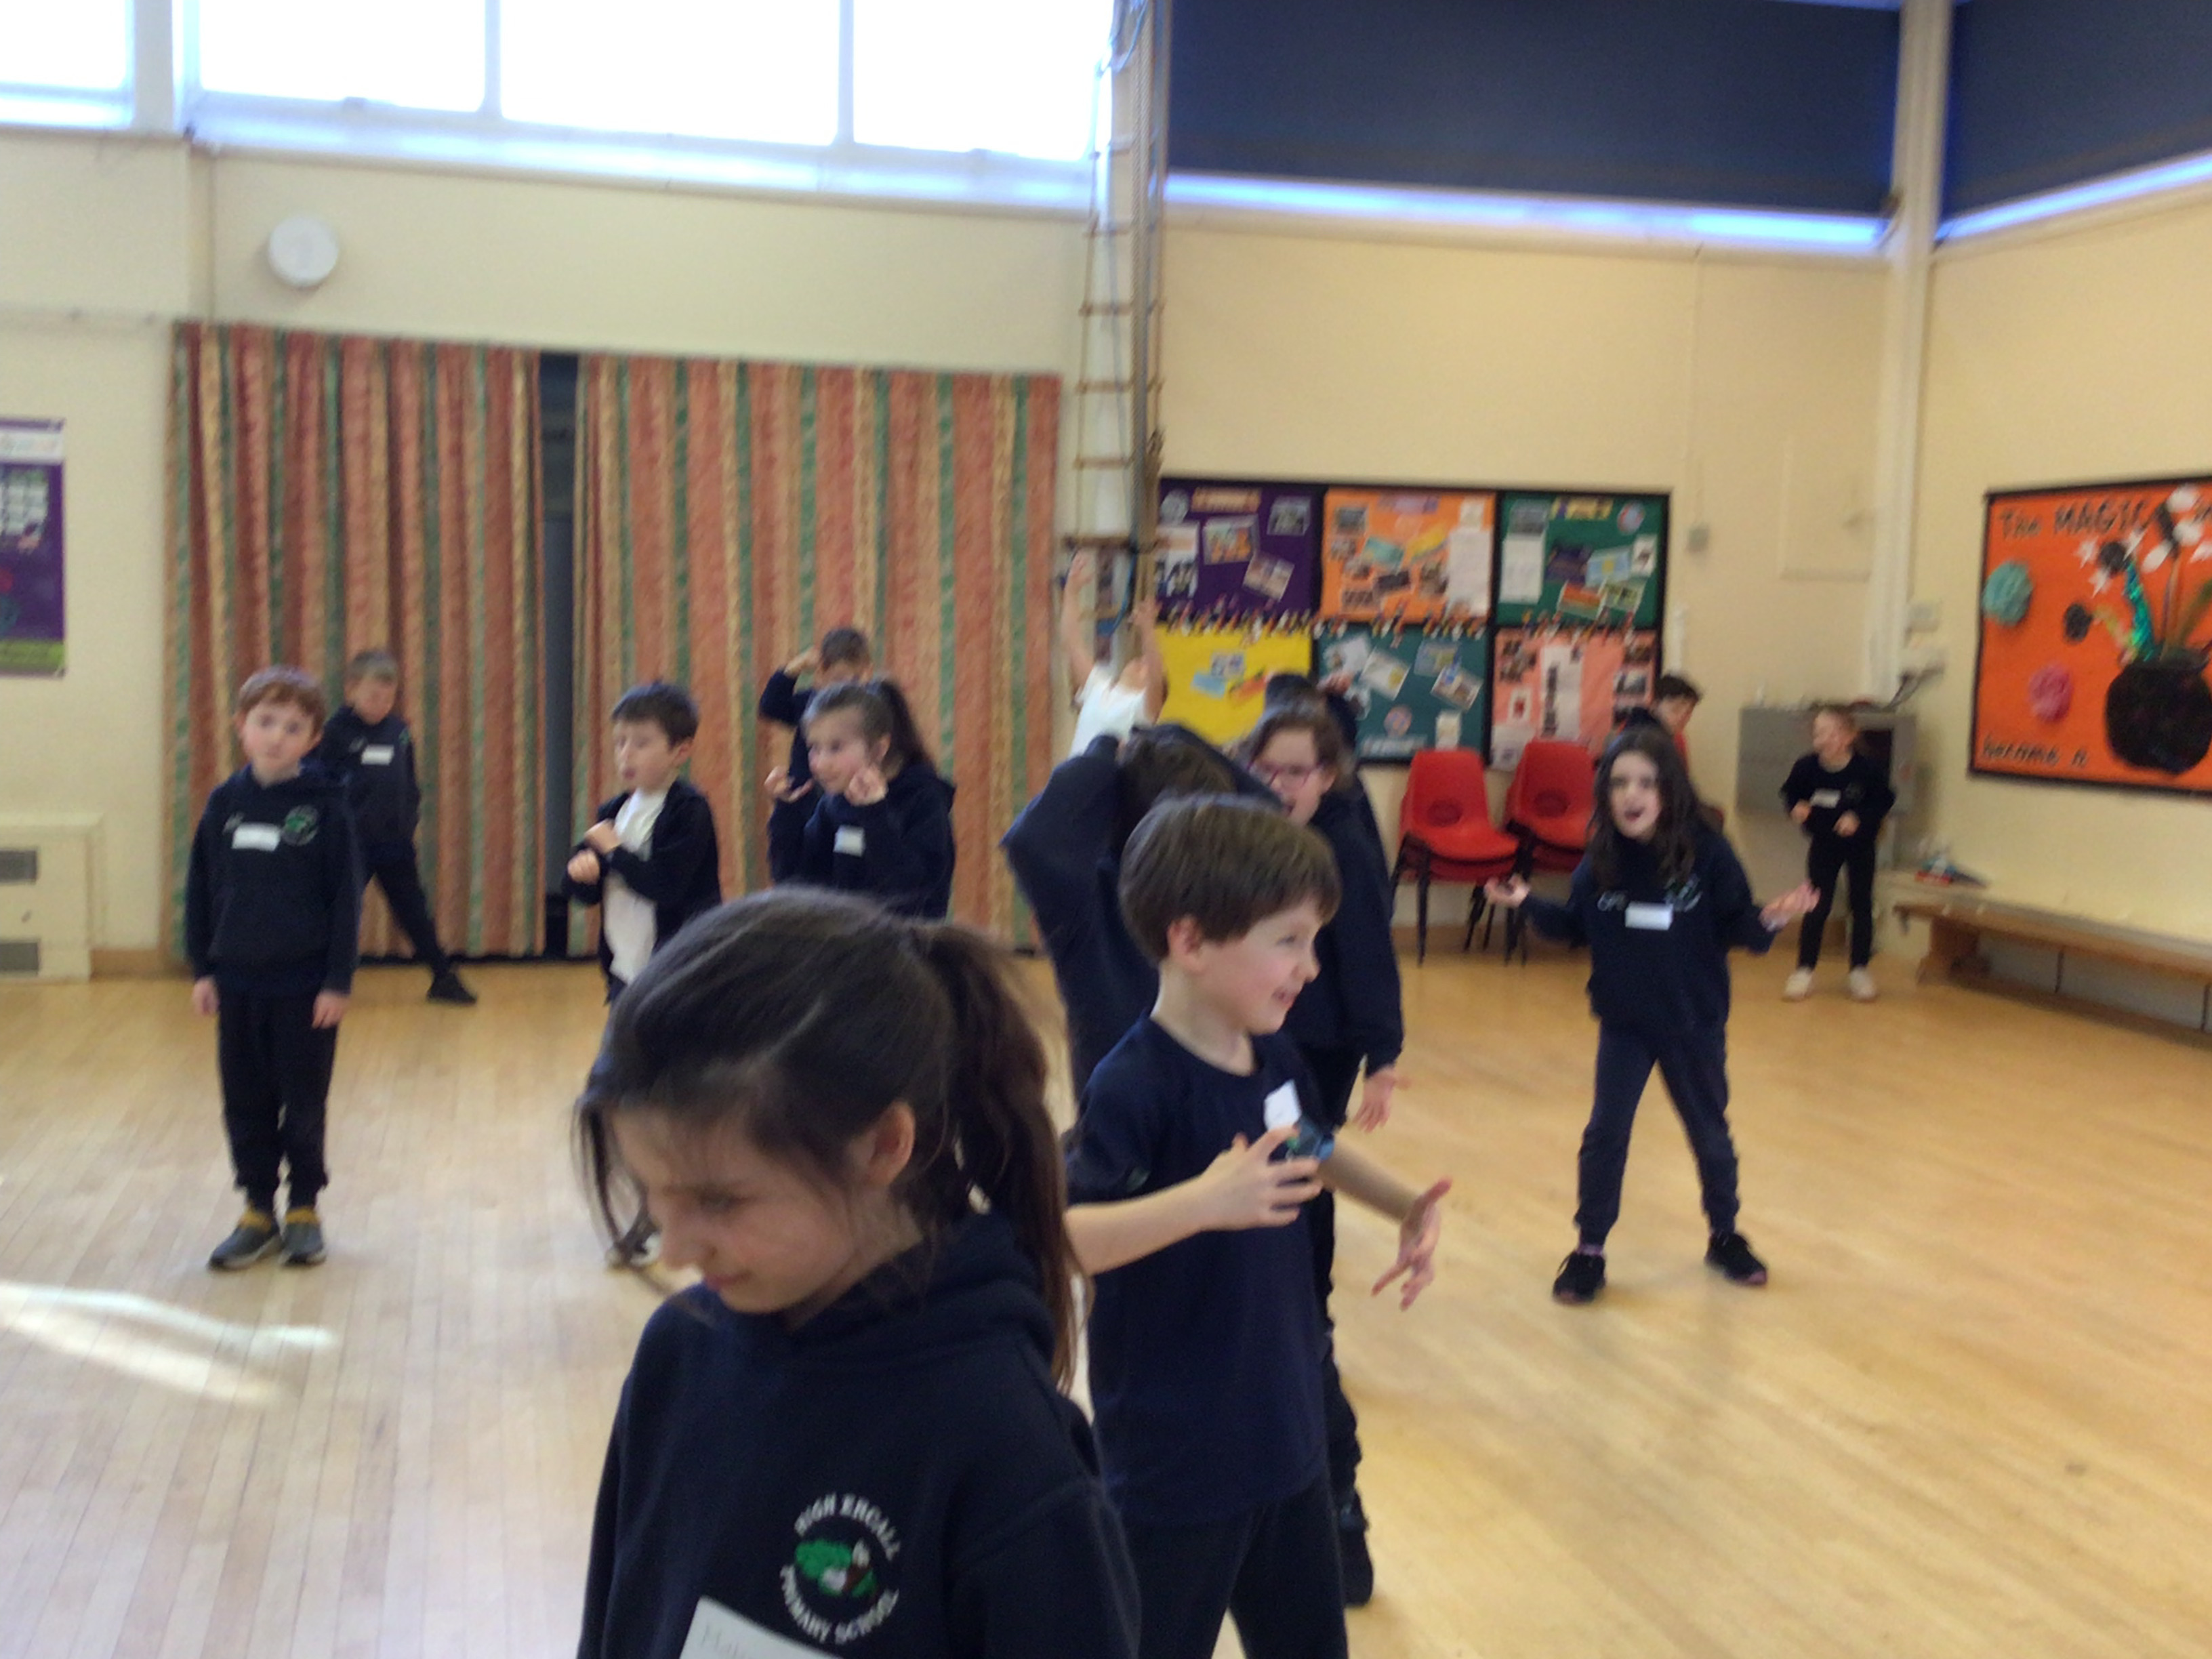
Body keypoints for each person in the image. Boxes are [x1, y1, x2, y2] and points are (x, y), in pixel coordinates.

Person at [574, 890, 1139, 1659]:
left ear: (882, 1146)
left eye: (718, 1200)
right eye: (652, 1194)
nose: (673, 1250)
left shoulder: (1005, 1443)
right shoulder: (680, 1350)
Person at [1066, 796, 1450, 1659]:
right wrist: (1202, 1204)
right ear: (1191, 941)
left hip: (1284, 1435)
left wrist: (1405, 1204)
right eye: (1289, 941)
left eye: (1315, 942)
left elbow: (1308, 1141)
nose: (1310, 967)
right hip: (1177, 1463)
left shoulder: (1271, 1050)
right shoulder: (1133, 1086)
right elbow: (1068, 1237)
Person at [1484, 724, 1816, 1305]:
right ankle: (1589, 1249)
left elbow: (1740, 925)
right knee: (1605, 1135)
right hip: (1626, 1024)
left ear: (1669, 790)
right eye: (1619, 784)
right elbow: (1574, 927)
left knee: (1709, 1133)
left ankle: (1725, 1235)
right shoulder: (1603, 858)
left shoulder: (1708, 852)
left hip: (1693, 1022)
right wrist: (1527, 903)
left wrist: (1773, 917)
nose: (1631, 795)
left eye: (1645, 783)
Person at [1235, 703, 1402, 1603]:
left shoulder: (1342, 849)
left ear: (1327, 777)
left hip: (1322, 1040)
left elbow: (1368, 950)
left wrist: (1384, 1052)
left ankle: (1311, 1301)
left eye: (1297, 771)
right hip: (1270, 1031)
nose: (1281, 785)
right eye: (1267, 769)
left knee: (1305, 1173)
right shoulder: (1245, 845)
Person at [186, 665, 363, 1271]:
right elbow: (201, 889)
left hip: (304, 988)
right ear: (241, 726)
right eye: (266, 722)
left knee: (303, 1100)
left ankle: (304, 1206)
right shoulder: (225, 803)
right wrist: (203, 969)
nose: (277, 737)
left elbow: (345, 900)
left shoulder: (326, 808)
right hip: (237, 984)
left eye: (293, 727)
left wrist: (337, 981)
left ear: (312, 739)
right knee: (245, 1099)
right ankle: (258, 1208)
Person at [1000, 723, 1260, 1099]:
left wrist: (1167, 732)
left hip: (1215, 1094)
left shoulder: (1222, 890)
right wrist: (1106, 745)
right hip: (1124, 1106)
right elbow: (1032, 841)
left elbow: (1268, 809)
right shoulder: (1089, 904)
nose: (1205, 851)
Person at [566, 680, 725, 1266]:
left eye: (641, 742)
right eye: (619, 742)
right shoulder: (614, 812)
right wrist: (582, 873)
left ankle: (672, 1209)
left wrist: (611, 852)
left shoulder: (689, 812)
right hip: (627, 977)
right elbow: (588, 889)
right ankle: (651, 1208)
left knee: (665, 1098)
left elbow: (665, 885)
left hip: (677, 977)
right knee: (624, 1097)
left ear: (680, 751)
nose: (626, 755)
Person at [311, 648, 476, 1005]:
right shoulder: (333, 733)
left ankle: (442, 976)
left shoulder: (398, 731)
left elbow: (408, 779)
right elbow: (317, 784)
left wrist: (409, 817)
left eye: (388, 698)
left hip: (393, 841)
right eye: (373, 696)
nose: (381, 705)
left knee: (413, 910)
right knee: (338, 912)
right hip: (350, 843)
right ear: (351, 689)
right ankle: (318, 979)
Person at [790, 679, 956, 920]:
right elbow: (796, 884)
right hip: (848, 936)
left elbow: (912, 892)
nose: (821, 764)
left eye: (836, 748)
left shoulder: (924, 800)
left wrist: (874, 815)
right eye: (814, 748)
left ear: (878, 750)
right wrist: (787, 812)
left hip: (907, 939)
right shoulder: (835, 803)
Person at [1780, 705, 1896, 1002]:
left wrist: (1859, 818)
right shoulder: (1806, 767)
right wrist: (1796, 807)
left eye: (1831, 734)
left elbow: (1884, 800)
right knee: (1816, 904)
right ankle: (1804, 969)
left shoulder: (1867, 770)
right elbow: (1790, 793)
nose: (1823, 740)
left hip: (1860, 846)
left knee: (1861, 904)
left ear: (1848, 736)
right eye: (1818, 733)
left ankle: (1859, 969)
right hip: (1823, 844)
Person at [756, 626, 874, 882]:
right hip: (806, 797)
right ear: (821, 674)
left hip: (850, 801)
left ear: (867, 672)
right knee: (800, 861)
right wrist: (795, 668)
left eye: (854, 680)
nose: (845, 688)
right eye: (838, 679)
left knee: (844, 866)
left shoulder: (869, 709)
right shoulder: (811, 702)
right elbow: (771, 706)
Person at [1062, 549, 1166, 756]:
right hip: (1072, 773)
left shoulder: (1141, 710)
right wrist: (1071, 591)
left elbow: (1156, 678)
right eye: (1142, 660)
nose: (1141, 662)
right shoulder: (1098, 687)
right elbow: (1072, 642)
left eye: (1146, 667)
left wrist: (1148, 631)